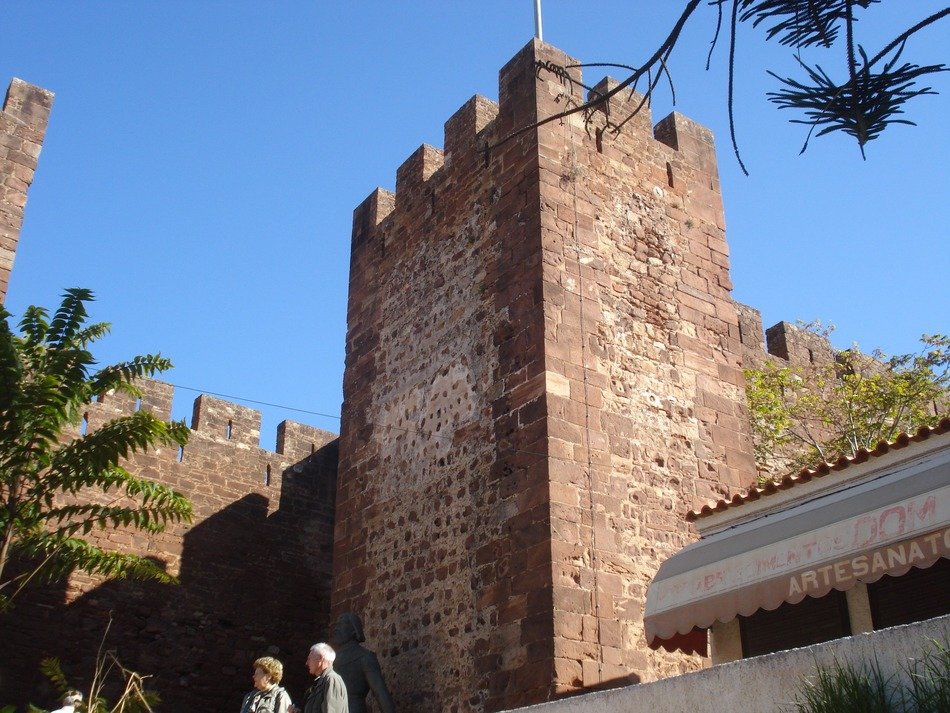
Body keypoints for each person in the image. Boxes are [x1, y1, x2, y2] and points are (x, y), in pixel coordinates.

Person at [331, 612, 394, 713]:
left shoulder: (365, 657)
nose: (336, 629)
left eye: (341, 624)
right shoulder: (331, 659)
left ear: (353, 630)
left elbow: (380, 692)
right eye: (336, 625)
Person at [295, 643, 347, 713]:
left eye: (309, 659)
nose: (307, 663)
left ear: (320, 658)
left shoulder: (331, 679)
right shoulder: (322, 681)